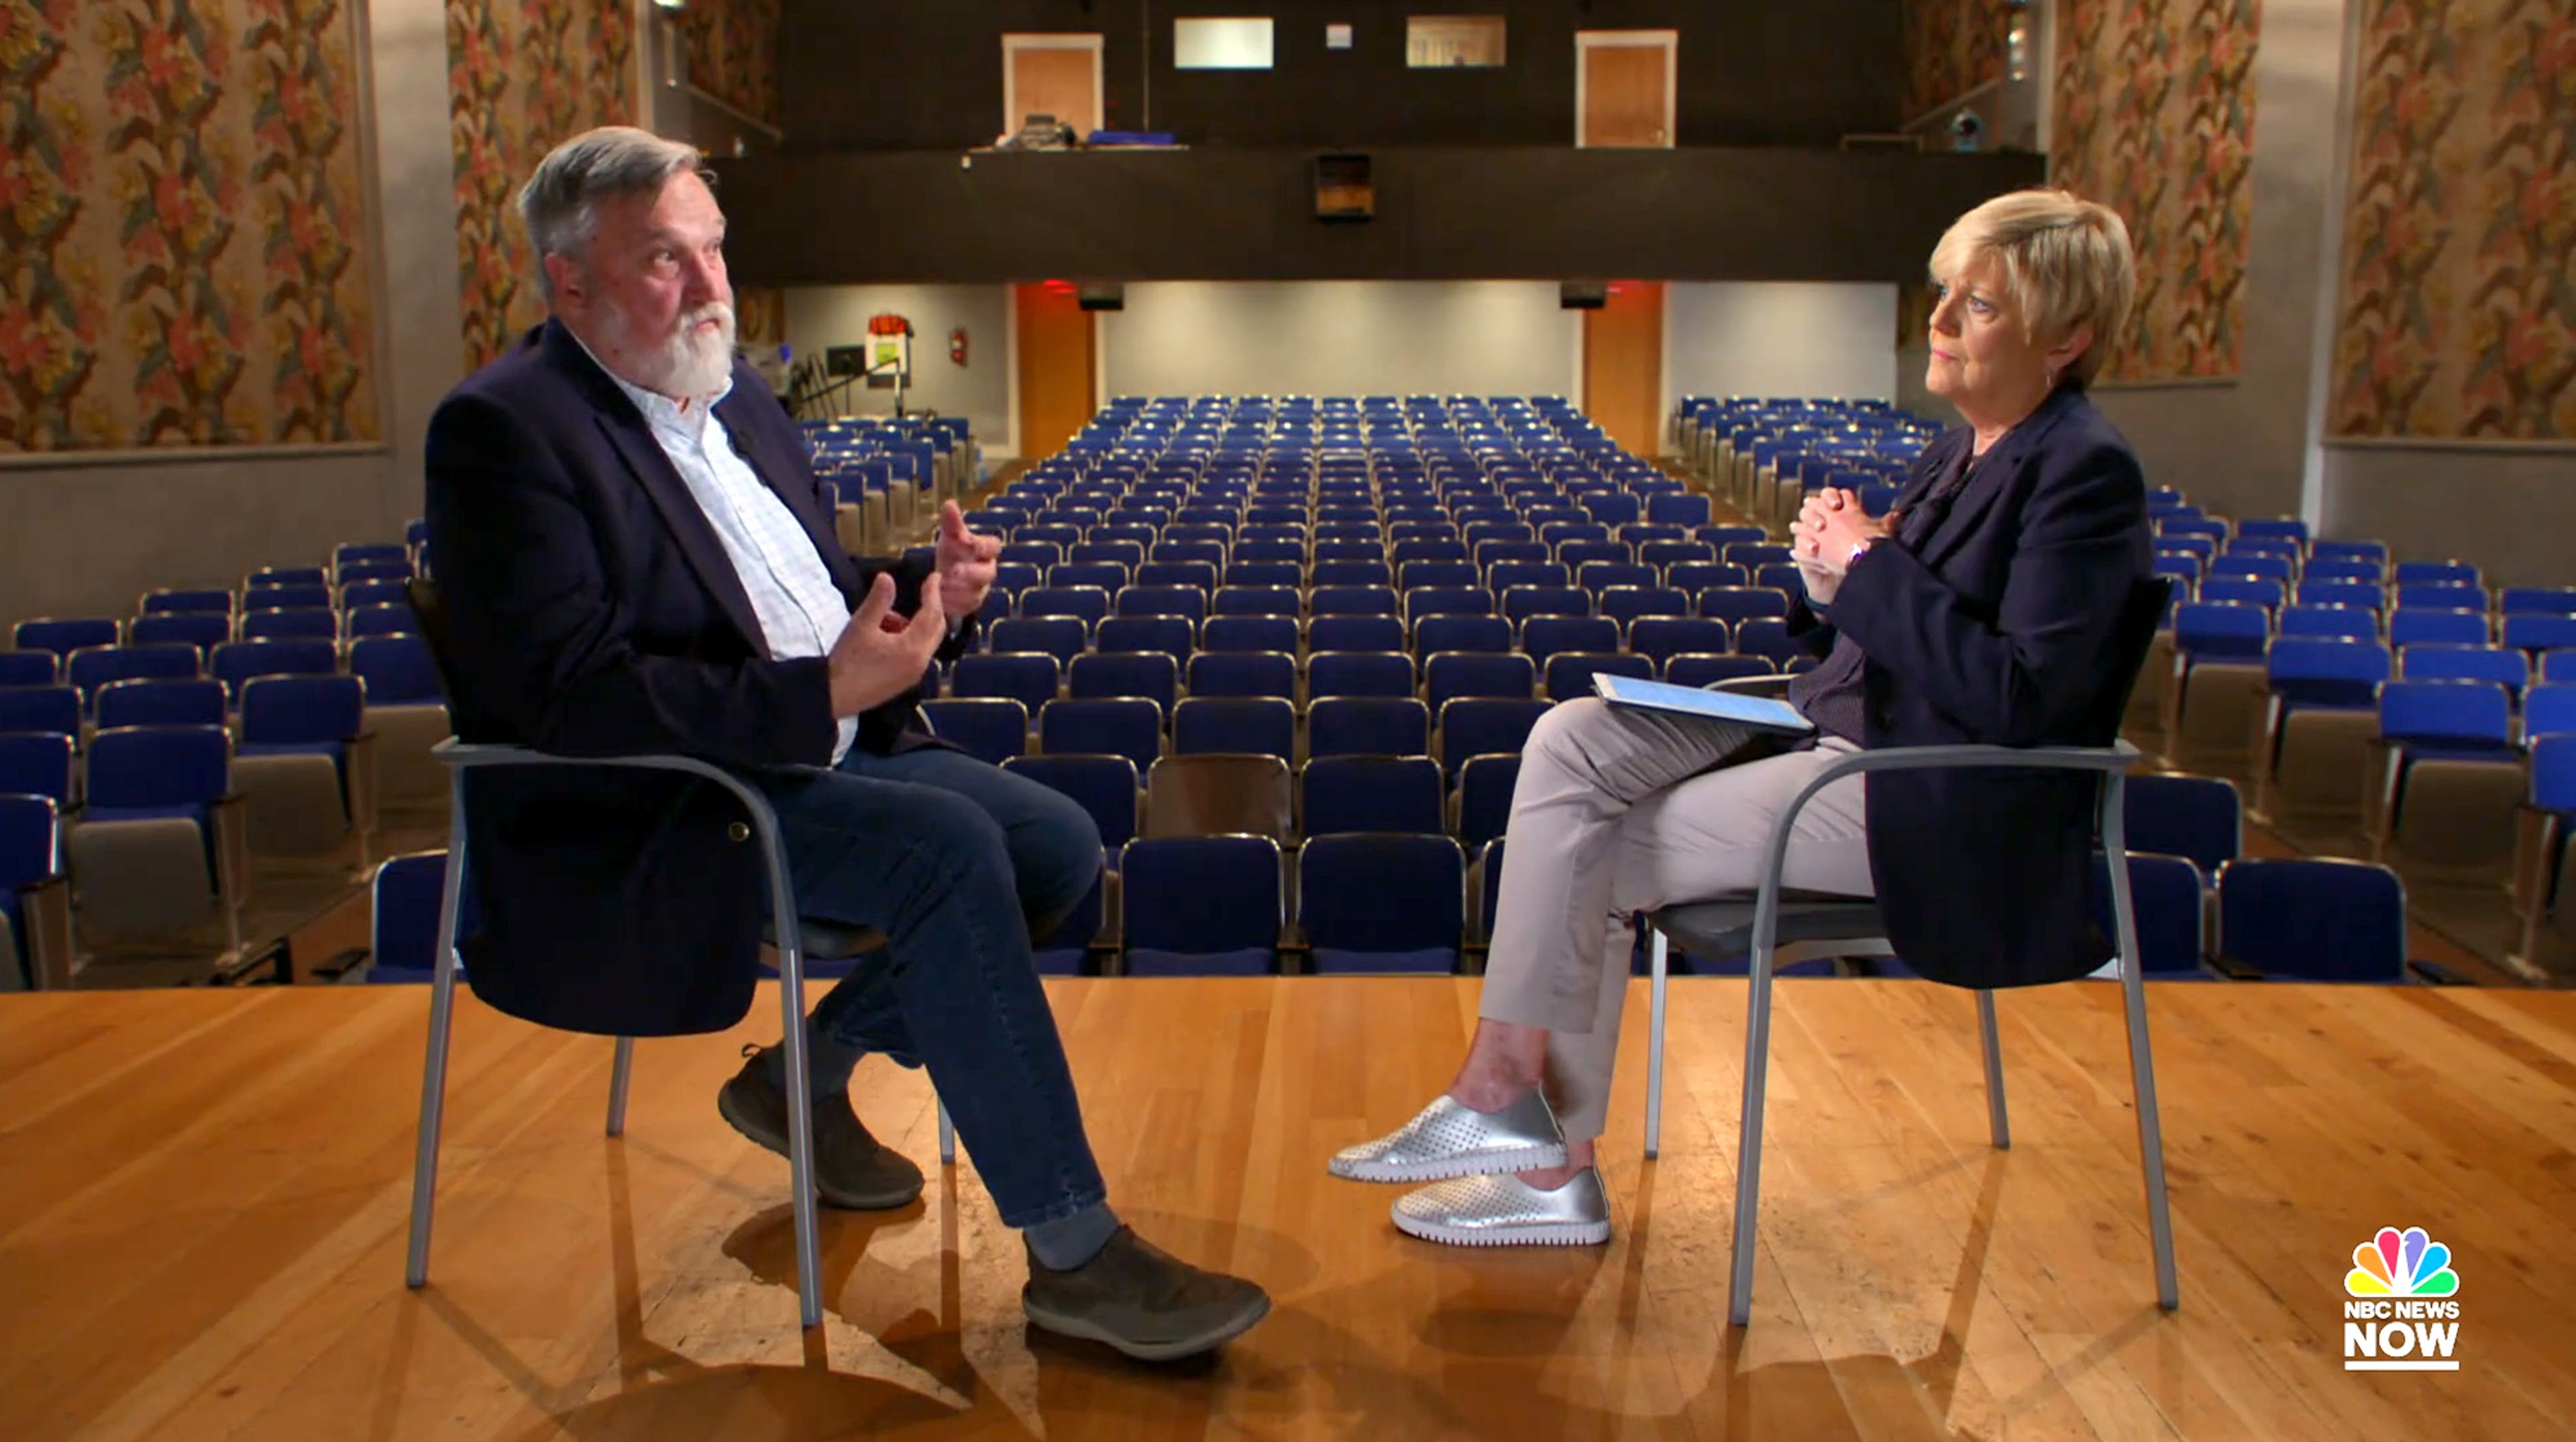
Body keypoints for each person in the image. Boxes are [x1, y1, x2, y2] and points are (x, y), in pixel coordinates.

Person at [423, 126, 1269, 1360]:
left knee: (1059, 843)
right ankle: (1076, 1253)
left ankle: (805, 1069)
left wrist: (922, 595)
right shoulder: (503, 430)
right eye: (667, 260)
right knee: (943, 852)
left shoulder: (735, 396)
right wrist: (821, 691)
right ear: (570, 280)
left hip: (810, 750)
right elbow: (570, 695)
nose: (712, 288)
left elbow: (800, 596)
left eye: (712, 250)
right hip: (668, 802)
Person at [1328, 187, 2155, 1247]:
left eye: (1979, 307)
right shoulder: (1962, 450)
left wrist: (1868, 566)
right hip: (1839, 737)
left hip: (1936, 796)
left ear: (2068, 337)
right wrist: (1828, 584)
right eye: (1944, 295)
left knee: (1602, 848)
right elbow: (1884, 627)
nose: (1940, 323)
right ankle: (1512, 1109)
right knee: (1571, 735)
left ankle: (1542, 1157)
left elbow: (2023, 697)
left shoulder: (2084, 471)